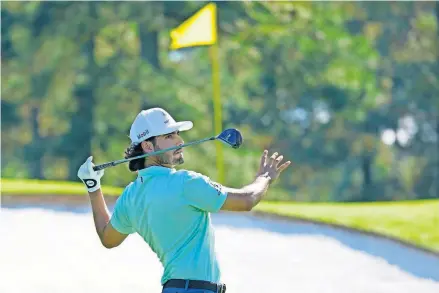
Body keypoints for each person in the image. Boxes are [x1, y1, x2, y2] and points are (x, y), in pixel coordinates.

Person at [77, 107, 291, 293]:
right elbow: (247, 200)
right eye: (169, 136)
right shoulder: (186, 183)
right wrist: (264, 178)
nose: (180, 141)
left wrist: (93, 188)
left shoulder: (131, 196)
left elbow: (108, 238)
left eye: (177, 134)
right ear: (148, 146)